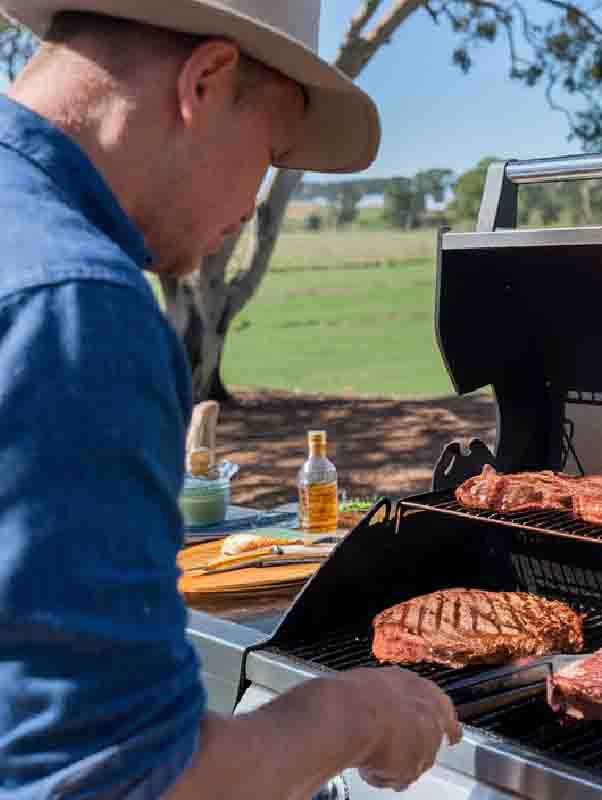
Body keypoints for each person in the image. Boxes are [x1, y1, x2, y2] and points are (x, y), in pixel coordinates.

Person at [0, 2, 460, 797]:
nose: (252, 204)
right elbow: (122, 783)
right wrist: (354, 715)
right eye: (272, 150)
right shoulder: (77, 307)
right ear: (206, 81)